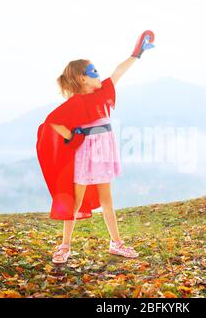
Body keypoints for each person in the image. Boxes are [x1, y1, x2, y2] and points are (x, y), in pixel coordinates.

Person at [35, 31, 155, 264]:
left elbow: (118, 72)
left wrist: (136, 54)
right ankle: (65, 245)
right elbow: (53, 121)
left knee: (107, 199)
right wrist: (73, 136)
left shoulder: (102, 92)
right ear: (82, 78)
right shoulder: (76, 103)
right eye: (93, 71)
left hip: (104, 151)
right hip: (86, 154)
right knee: (75, 201)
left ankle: (116, 243)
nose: (98, 74)